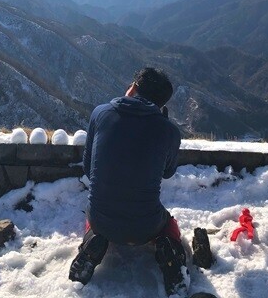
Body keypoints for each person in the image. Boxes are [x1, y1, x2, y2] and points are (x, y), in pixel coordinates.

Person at [69, 67, 186, 296]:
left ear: (132, 88)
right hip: (147, 226)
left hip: (101, 219)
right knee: (168, 222)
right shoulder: (169, 131)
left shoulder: (100, 113)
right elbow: (168, 172)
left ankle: (93, 240)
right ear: (162, 105)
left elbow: (87, 167)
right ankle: (169, 249)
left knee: (93, 213)